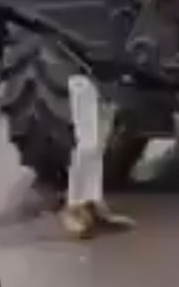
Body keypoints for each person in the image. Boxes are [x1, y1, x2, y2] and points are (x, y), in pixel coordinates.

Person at [58, 71, 136, 240]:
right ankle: (75, 205)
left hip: (106, 76)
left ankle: (93, 203)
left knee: (100, 141)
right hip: (83, 70)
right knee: (88, 142)